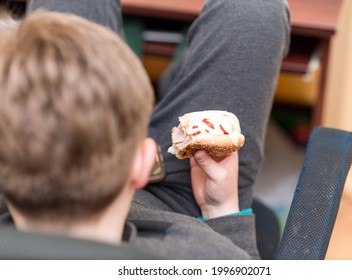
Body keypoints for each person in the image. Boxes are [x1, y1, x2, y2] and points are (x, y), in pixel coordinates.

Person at [0, 0, 290, 259]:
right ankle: (173, 89)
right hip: (183, 204)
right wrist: (222, 209)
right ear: (143, 161)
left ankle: (174, 90)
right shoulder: (203, 256)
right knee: (255, 9)